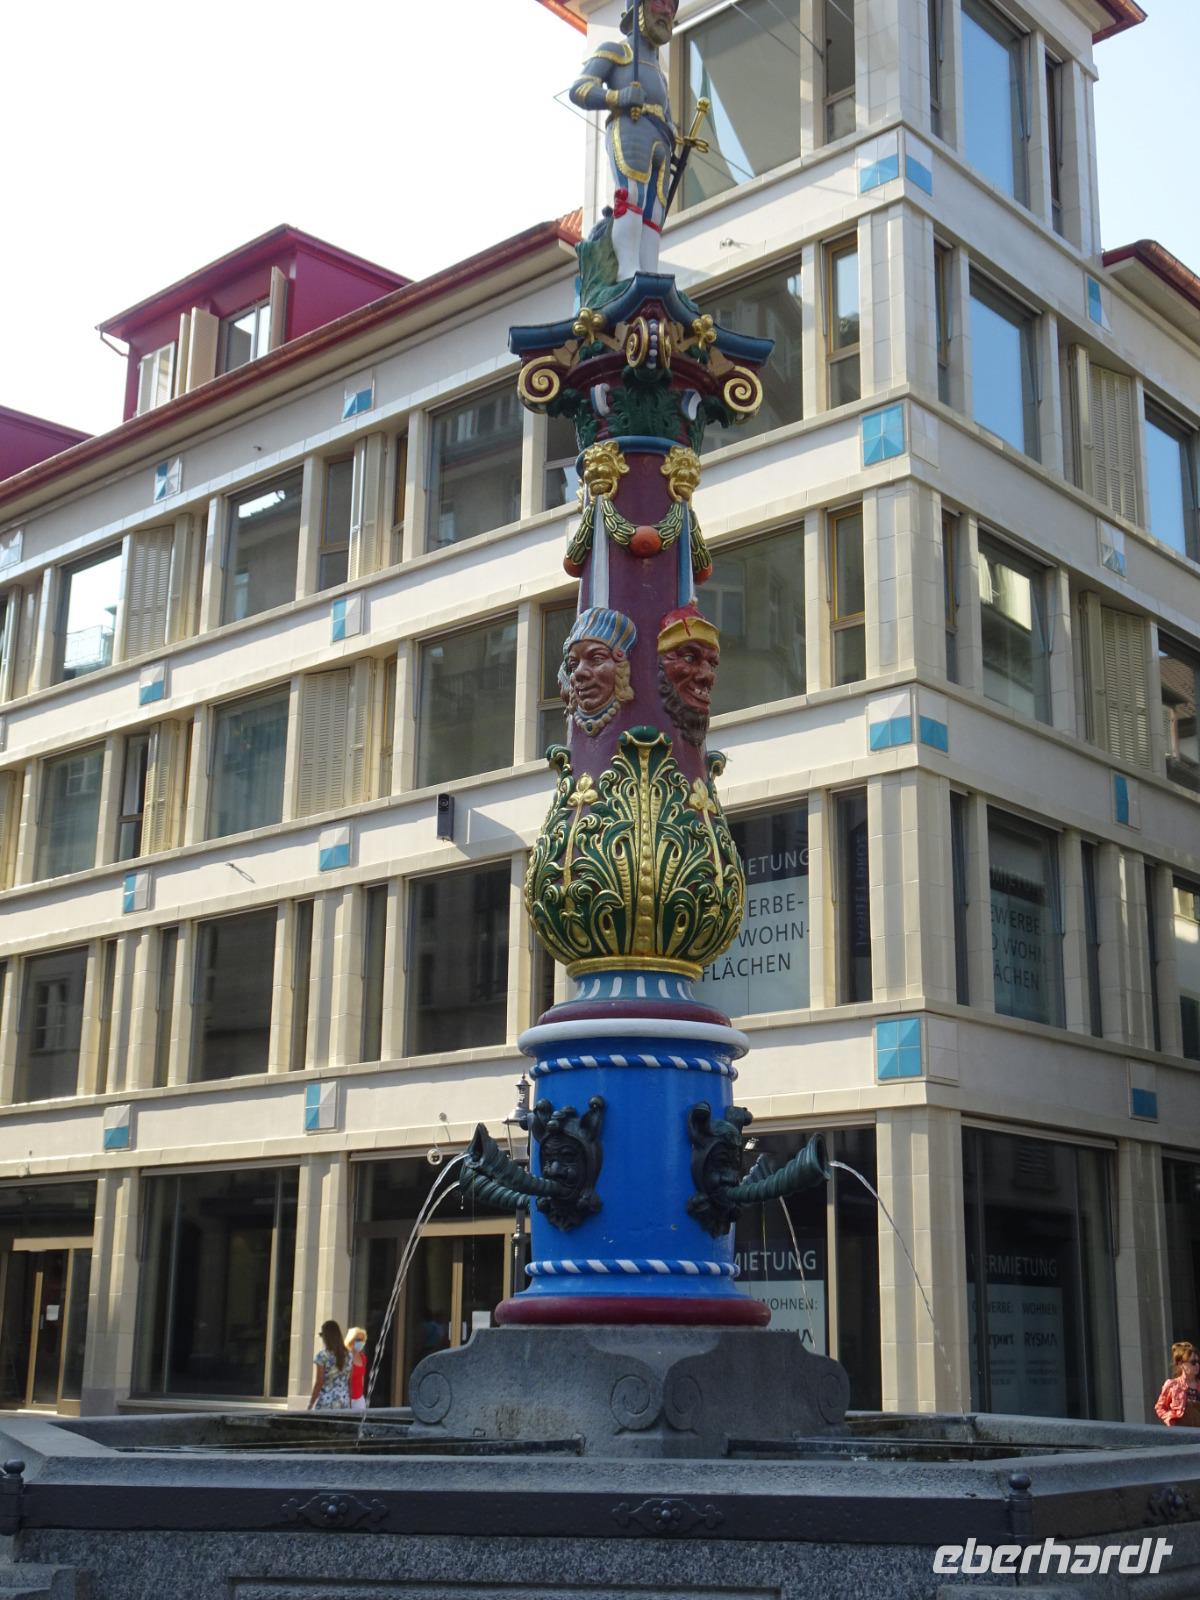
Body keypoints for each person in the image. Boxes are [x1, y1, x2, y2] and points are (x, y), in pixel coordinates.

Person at [569, 0, 679, 279]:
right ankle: (628, 269)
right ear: (639, 8)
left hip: (659, 140)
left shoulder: (658, 73)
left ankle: (649, 272)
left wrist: (672, 128)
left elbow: (666, 113)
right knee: (631, 197)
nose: (667, 11)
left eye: (672, 5)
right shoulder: (617, 51)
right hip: (632, 129)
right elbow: (580, 89)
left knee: (654, 211)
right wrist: (616, 97)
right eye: (660, 2)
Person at [1154, 1340, 1200, 1427]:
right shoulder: (1172, 1385)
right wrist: (1170, 1419)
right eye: (1193, 1362)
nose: (1197, 1365)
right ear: (1181, 1364)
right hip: (1182, 1432)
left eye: (1198, 1362)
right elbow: (1160, 1407)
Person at [308, 1319, 351, 1411]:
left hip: (326, 1402)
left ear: (327, 1337)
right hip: (344, 1401)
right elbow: (349, 1381)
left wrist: (311, 1403)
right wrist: (350, 1402)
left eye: (322, 1335)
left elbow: (319, 1381)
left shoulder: (322, 1356)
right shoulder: (349, 1355)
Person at [345, 1325, 369, 1414]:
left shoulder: (363, 1358)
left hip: (359, 1398)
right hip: (347, 1398)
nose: (361, 1343)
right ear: (351, 1340)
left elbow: (362, 1377)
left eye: (362, 1340)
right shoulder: (346, 1357)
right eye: (358, 1340)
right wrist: (349, 1400)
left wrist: (362, 1395)